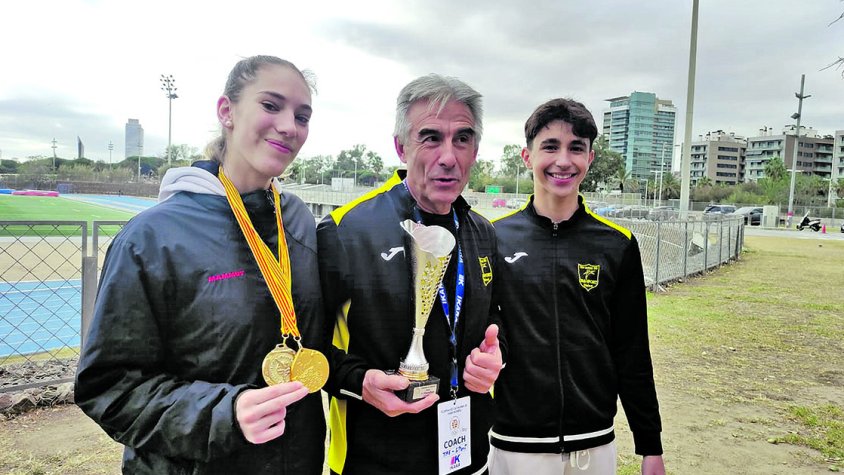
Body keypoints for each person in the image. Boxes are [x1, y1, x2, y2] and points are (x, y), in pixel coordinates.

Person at [75, 55, 326, 474]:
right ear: (226, 111)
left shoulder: (297, 221)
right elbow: (109, 387)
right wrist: (223, 413)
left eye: (302, 115)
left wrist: (362, 378)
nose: (290, 126)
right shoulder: (152, 237)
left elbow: (316, 338)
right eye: (271, 105)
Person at [317, 74, 503, 475]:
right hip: (373, 462)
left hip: (468, 459)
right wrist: (358, 382)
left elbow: (494, 321)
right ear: (401, 147)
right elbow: (306, 346)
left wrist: (493, 357)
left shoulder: (483, 232)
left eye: (462, 139)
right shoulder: (345, 230)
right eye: (431, 137)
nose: (448, 156)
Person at [489, 98, 665, 475]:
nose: (563, 161)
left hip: (595, 442)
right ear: (526, 155)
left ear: (590, 157)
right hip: (514, 442)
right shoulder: (493, 239)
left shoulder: (618, 244)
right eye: (550, 146)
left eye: (576, 148)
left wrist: (650, 445)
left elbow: (632, 350)